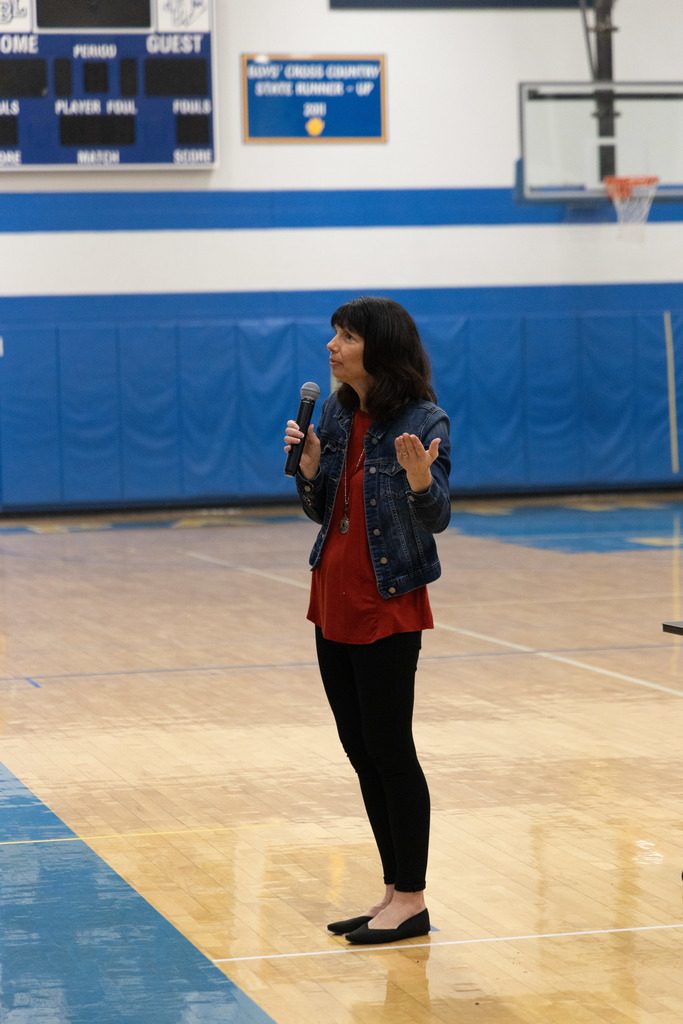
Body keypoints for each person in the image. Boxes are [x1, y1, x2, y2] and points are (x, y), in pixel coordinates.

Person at [284, 296, 451, 945]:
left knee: (389, 748)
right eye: (332, 334)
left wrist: (417, 480)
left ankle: (411, 898)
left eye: (345, 336)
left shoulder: (423, 417)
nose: (331, 346)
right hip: (332, 594)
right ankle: (391, 891)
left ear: (376, 348)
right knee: (359, 750)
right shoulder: (334, 411)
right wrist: (306, 473)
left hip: (386, 600)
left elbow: (435, 515)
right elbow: (323, 507)